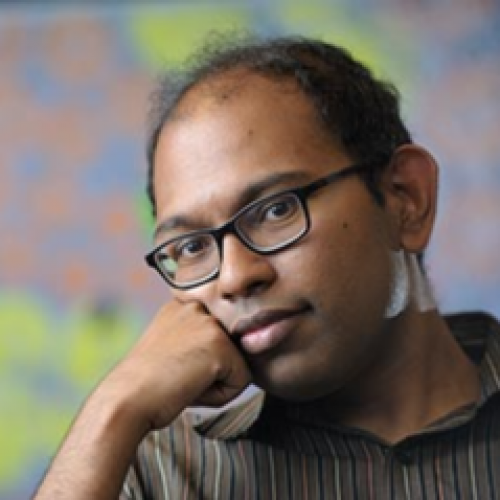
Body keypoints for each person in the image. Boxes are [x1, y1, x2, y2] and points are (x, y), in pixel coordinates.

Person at [34, 35, 500, 500]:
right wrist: (115, 406)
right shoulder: (160, 475)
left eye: (277, 210)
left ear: (405, 198)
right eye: (192, 246)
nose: (235, 277)